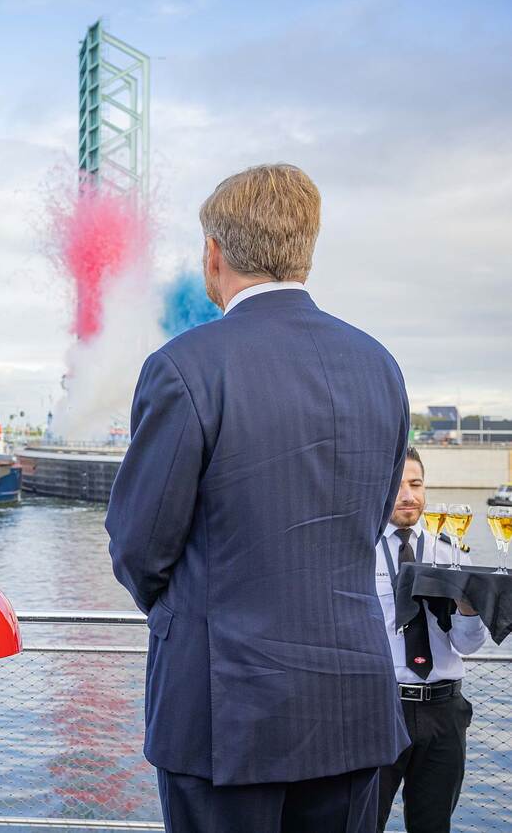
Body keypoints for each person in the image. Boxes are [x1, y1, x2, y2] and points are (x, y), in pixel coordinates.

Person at [105, 164, 410, 833]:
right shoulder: (379, 365)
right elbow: (368, 518)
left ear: (213, 256)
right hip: (355, 707)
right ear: (307, 249)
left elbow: (138, 546)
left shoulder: (186, 367)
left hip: (226, 715)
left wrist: (194, 613)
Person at [375, 447, 485, 832]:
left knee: (433, 825)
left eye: (416, 484)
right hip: (380, 709)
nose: (409, 495)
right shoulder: (358, 554)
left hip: (444, 712)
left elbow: (468, 645)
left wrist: (469, 610)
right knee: (362, 821)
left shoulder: (452, 552)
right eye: (397, 485)